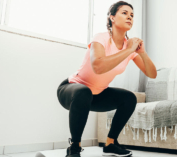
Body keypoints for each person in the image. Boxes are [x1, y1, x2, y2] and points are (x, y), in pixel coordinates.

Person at [57, 1, 157, 157]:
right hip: (71, 89)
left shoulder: (129, 47)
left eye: (132, 15)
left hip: (97, 96)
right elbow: (98, 66)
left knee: (129, 98)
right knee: (84, 92)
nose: (129, 17)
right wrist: (130, 49)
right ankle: (74, 146)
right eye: (124, 13)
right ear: (112, 17)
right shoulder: (101, 38)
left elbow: (152, 74)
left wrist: (141, 53)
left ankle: (110, 143)